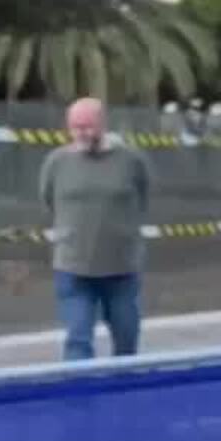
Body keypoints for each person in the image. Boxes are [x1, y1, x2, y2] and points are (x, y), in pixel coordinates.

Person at [40, 97, 151, 362]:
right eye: (75, 127)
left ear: (103, 124)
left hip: (121, 267)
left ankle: (124, 384)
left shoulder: (130, 161)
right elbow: (48, 199)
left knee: (126, 337)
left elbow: (143, 196)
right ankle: (80, 387)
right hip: (74, 267)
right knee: (78, 339)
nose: (81, 133)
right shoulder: (57, 162)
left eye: (87, 126)